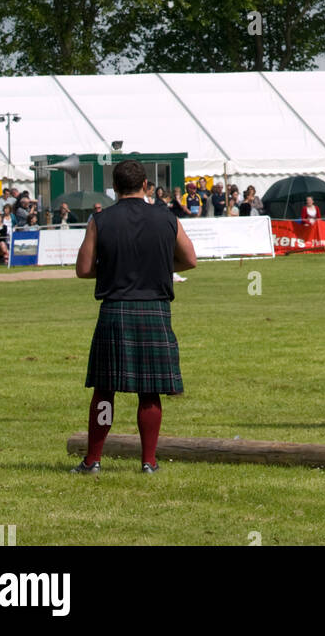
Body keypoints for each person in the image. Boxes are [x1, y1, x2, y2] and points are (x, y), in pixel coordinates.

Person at [72, 159, 197, 475]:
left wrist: (114, 270)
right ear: (146, 186)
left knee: (104, 389)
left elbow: (84, 269)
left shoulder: (100, 220)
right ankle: (149, 462)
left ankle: (93, 460)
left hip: (115, 310)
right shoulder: (167, 217)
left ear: (115, 188)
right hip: (154, 309)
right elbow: (190, 260)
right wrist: (159, 267)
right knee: (150, 389)